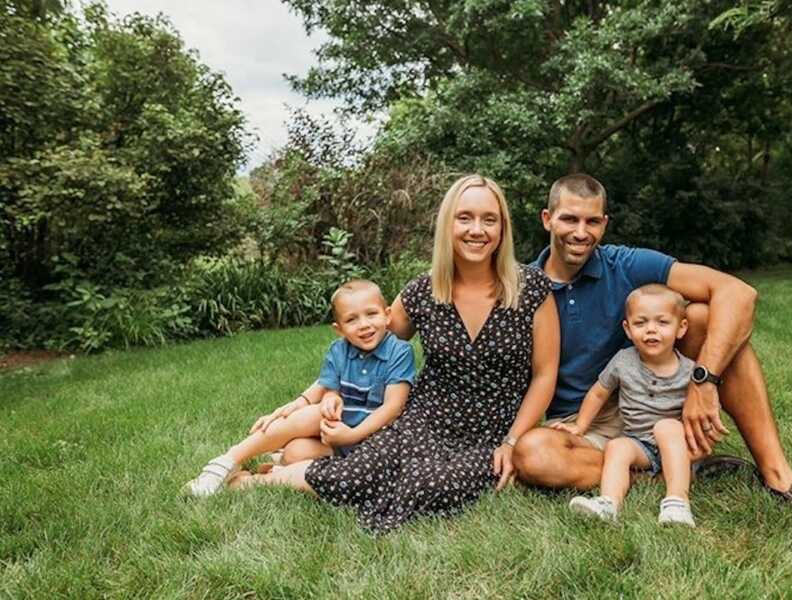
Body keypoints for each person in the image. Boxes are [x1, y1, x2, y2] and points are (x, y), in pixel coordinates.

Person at [512, 173, 792, 531]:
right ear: (547, 219)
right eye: (570, 219)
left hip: (649, 402)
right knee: (534, 455)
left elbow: (739, 294)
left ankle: (779, 476)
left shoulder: (624, 264)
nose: (581, 232)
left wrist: (703, 383)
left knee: (704, 318)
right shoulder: (524, 286)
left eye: (592, 221)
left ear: (605, 224)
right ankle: (669, 473)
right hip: (580, 425)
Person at [226, 174, 560, 533]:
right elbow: (365, 343)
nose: (476, 229)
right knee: (358, 474)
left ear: (502, 228)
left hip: (489, 433)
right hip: (423, 420)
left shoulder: (531, 287)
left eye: (488, 219)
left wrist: (512, 440)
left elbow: (544, 374)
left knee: (432, 487)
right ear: (448, 223)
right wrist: (304, 399)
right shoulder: (424, 289)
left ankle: (286, 468)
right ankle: (256, 480)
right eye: (464, 217)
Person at [183, 279, 415, 497]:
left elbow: (393, 407)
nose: (364, 325)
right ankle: (229, 462)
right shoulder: (339, 350)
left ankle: (251, 472)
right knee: (296, 448)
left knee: (309, 431)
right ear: (339, 329)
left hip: (374, 440)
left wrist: (351, 435)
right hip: (337, 438)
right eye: (351, 320)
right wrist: (328, 398)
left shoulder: (399, 352)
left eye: (371, 314)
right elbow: (328, 387)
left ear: (387, 316)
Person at [565, 284, 700, 526]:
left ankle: (677, 502)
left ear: (681, 328)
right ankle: (609, 503)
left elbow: (701, 409)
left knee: (667, 426)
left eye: (662, 322)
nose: (651, 330)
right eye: (640, 323)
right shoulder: (623, 361)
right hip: (640, 445)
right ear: (627, 329)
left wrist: (699, 443)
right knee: (617, 446)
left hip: (675, 445)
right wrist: (580, 426)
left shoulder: (689, 370)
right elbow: (598, 393)